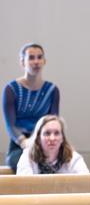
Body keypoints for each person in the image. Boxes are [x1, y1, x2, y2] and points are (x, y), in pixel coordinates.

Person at [2, 43, 60, 172]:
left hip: (45, 141)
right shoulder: (11, 89)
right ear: (22, 62)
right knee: (21, 162)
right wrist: (25, 143)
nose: (36, 62)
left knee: (60, 162)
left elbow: (54, 123)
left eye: (39, 57)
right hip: (20, 144)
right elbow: (10, 125)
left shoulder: (52, 90)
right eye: (31, 58)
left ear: (44, 61)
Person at [16, 115, 89, 175]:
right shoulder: (28, 156)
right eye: (47, 133)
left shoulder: (73, 158)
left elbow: (86, 183)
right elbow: (24, 187)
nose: (52, 138)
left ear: (62, 138)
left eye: (57, 133)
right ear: (38, 138)